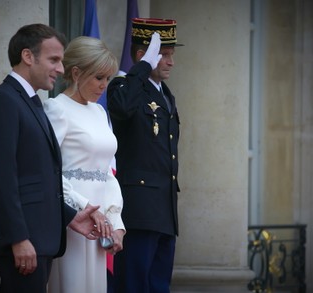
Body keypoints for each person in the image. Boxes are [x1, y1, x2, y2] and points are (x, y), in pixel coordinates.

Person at [0, 24, 100, 293]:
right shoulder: (2, 100)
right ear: (28, 57)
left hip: (41, 236)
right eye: (53, 60)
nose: (61, 69)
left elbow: (40, 176)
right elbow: (1, 177)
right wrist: (18, 238)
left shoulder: (31, 102)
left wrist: (69, 216)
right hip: (24, 240)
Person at [43, 36, 126, 293]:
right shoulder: (56, 108)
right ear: (76, 73)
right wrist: (84, 208)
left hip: (101, 224)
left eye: (108, 79)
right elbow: (48, 169)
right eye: (98, 78)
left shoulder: (99, 112)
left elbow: (107, 172)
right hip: (72, 219)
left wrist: (116, 221)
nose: (104, 86)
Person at [107, 18, 184, 293]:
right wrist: (141, 69)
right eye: (164, 55)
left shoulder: (165, 94)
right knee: (134, 284)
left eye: (171, 55)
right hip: (139, 209)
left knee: (158, 285)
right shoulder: (124, 86)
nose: (171, 62)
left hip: (163, 209)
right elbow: (120, 107)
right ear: (143, 56)